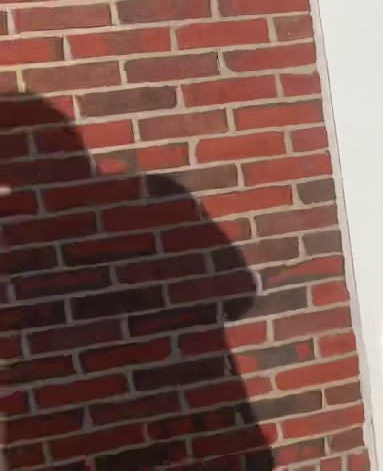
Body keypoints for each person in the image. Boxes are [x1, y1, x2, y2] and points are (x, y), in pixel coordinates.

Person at [1, 93, 273, 469]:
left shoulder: (149, 199)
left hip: (88, 440)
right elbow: (238, 292)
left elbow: (237, 290)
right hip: (190, 429)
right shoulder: (155, 197)